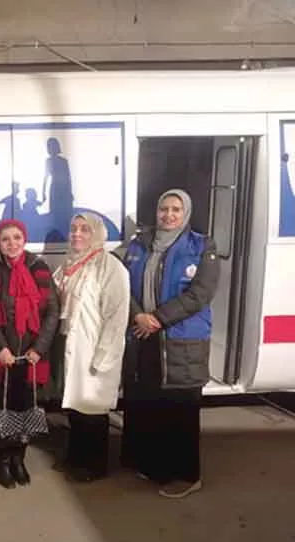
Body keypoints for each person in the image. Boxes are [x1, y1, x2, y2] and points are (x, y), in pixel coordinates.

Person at [121, 189, 219, 499]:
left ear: (186, 212)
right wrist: (138, 316)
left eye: (176, 209)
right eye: (164, 209)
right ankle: (155, 467)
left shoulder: (202, 246)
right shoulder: (140, 244)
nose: (169, 215)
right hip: (144, 335)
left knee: (182, 409)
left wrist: (158, 318)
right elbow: (123, 286)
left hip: (181, 339)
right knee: (150, 403)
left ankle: (187, 475)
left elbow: (200, 294)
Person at [0, 219, 59, 489]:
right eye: (5, 239)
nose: (12, 243)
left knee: (25, 410)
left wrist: (39, 348)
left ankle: (19, 459)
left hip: (31, 357)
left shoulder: (39, 268)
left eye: (17, 237)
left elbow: (52, 311)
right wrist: (0, 348)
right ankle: (2, 461)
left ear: (24, 239)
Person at [52, 213, 129, 482]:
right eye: (73, 228)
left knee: (93, 409)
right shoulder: (68, 264)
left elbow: (116, 316)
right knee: (75, 407)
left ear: (97, 233)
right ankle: (76, 457)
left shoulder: (110, 267)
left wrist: (104, 355)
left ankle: (94, 465)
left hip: (94, 346)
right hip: (70, 344)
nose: (77, 234)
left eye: (85, 229)